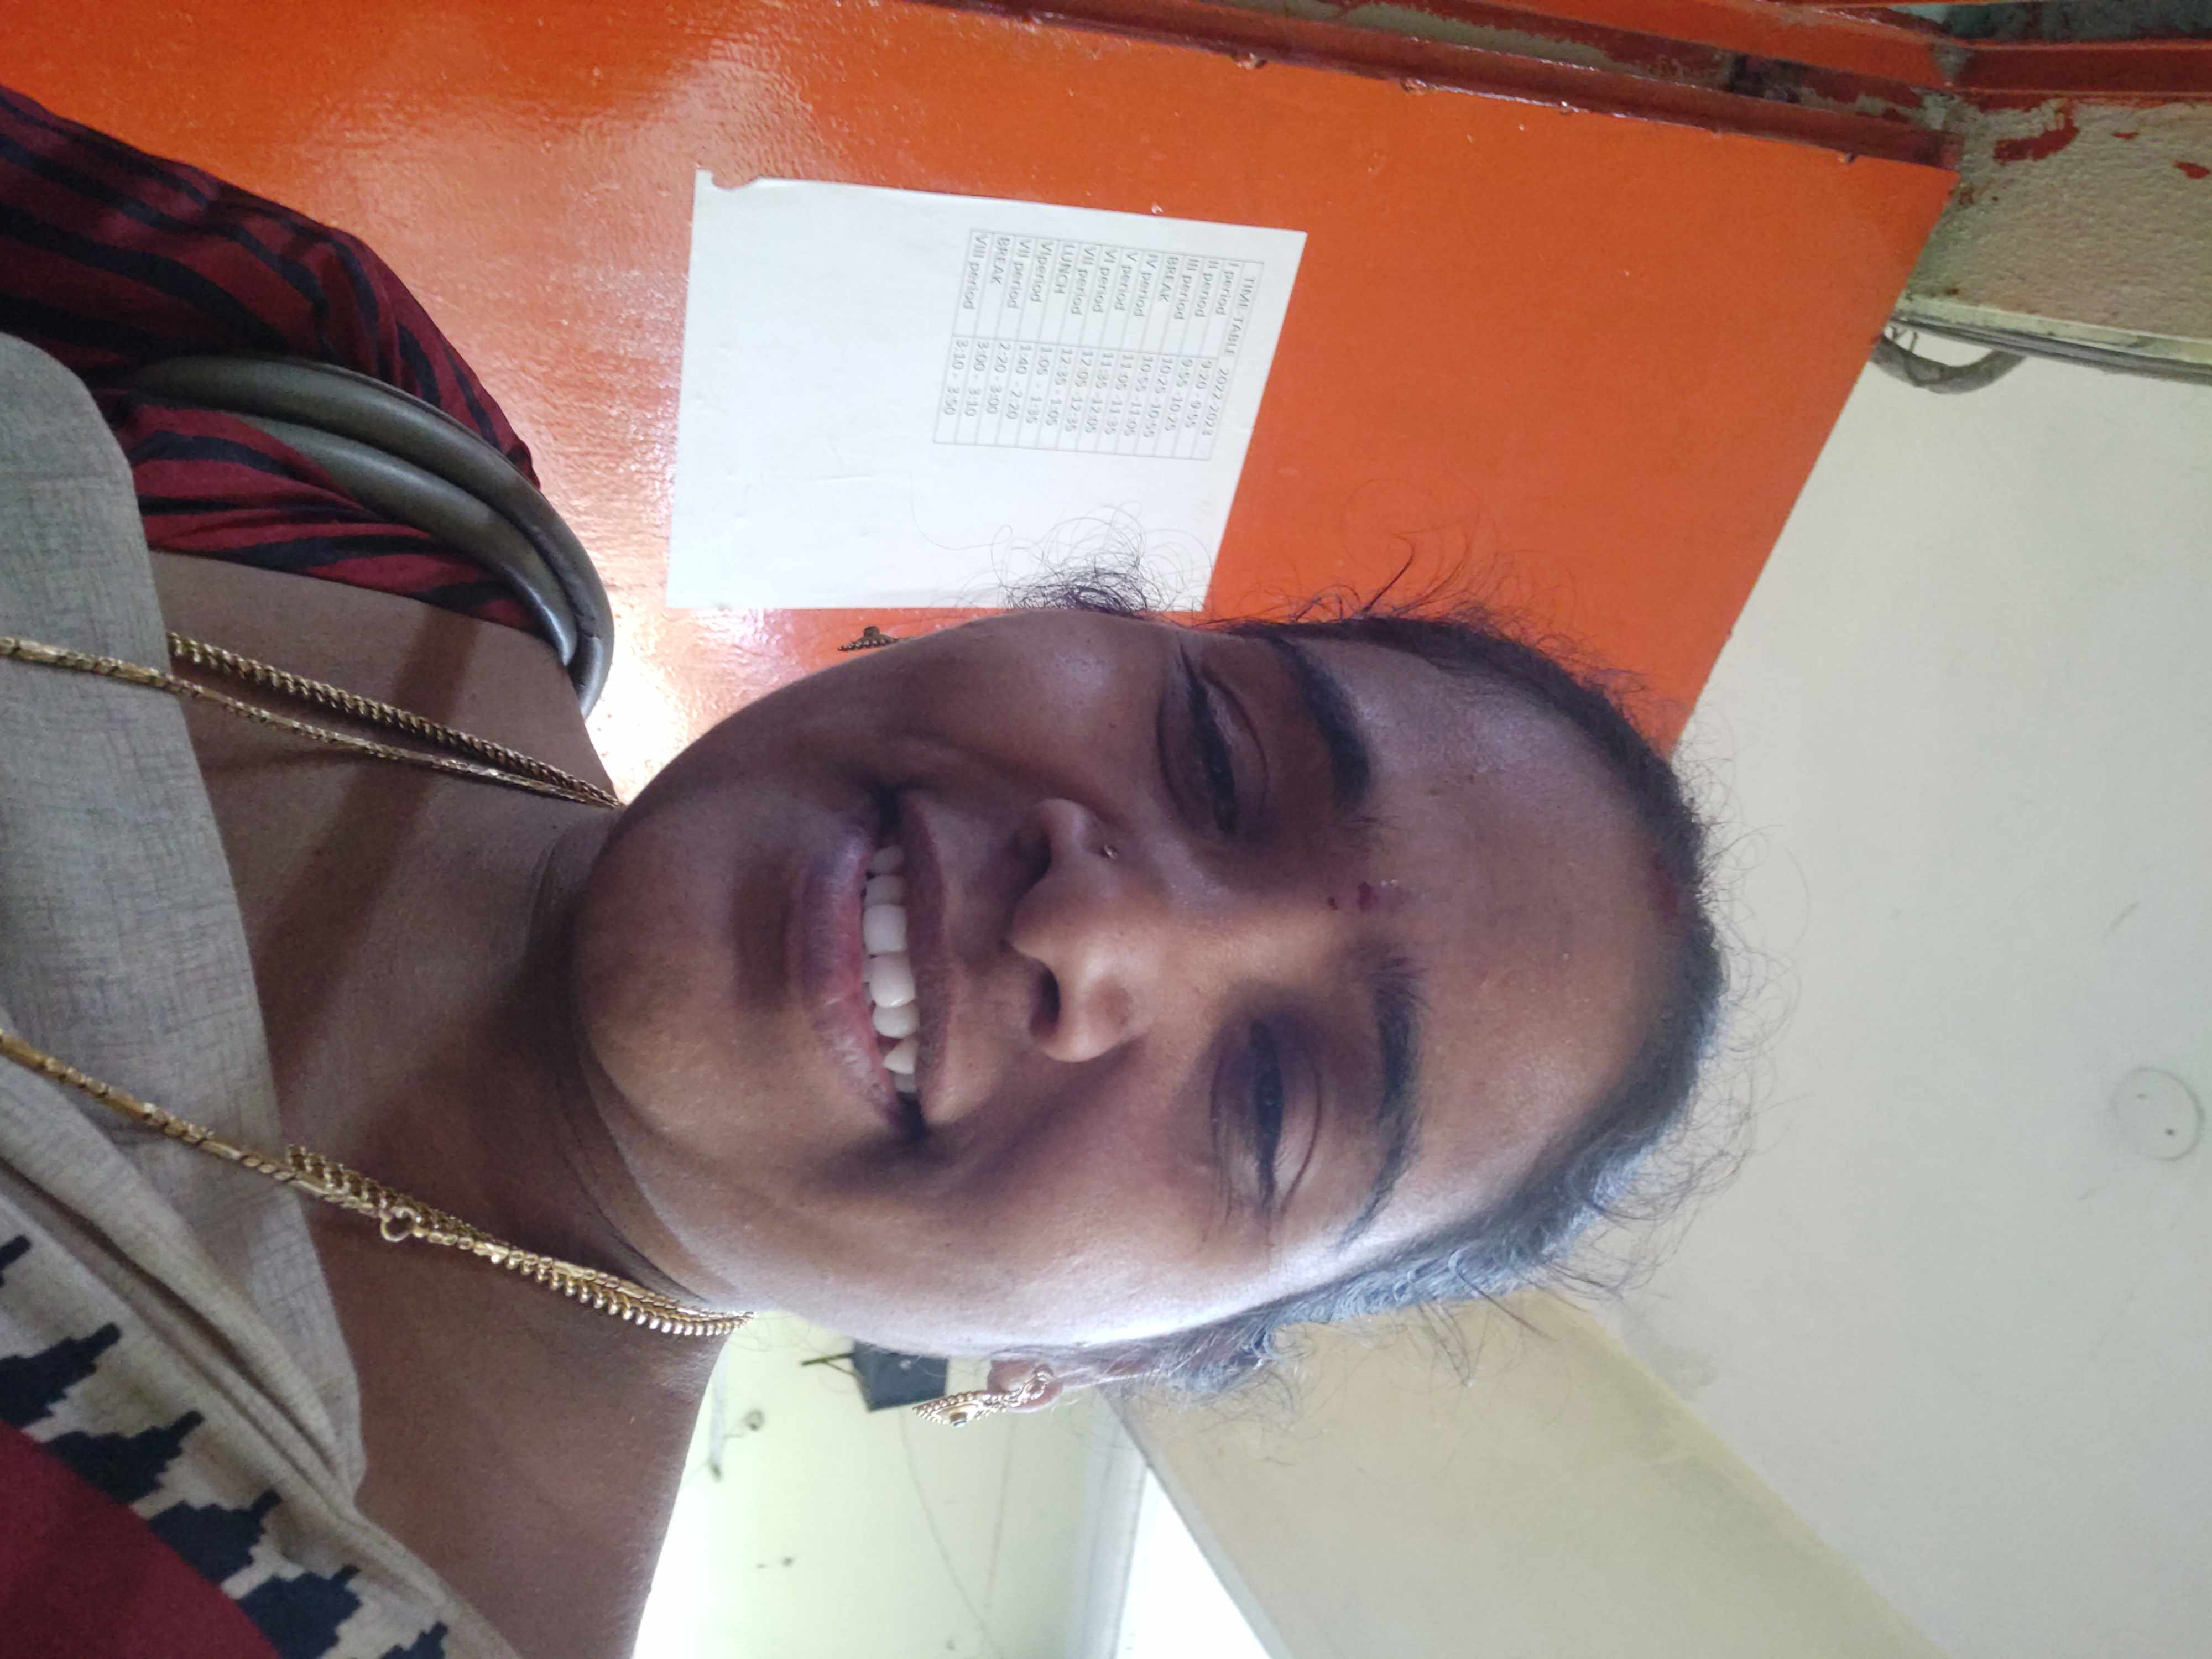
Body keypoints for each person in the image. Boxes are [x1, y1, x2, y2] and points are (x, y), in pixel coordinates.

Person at [0, 89, 1721, 1659]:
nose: (1097, 922)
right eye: (1214, 750)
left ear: (1110, 1359)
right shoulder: (346, 434)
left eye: (1272, 1102)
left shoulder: (295, 1604)